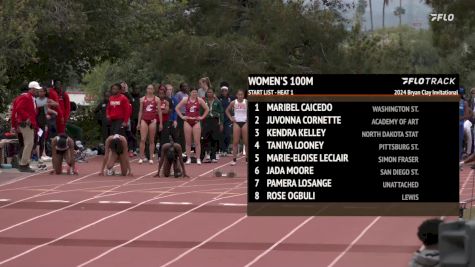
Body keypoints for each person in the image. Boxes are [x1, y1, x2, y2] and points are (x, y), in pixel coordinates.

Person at [11, 81, 40, 172]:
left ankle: (24, 163)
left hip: (28, 123)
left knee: (29, 143)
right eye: (36, 90)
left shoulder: (30, 97)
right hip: (26, 123)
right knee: (29, 143)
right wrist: (27, 118)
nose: (37, 92)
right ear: (31, 89)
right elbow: (19, 108)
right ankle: (23, 164)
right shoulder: (26, 97)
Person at [175, 87, 209, 165]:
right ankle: (188, 158)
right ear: (190, 93)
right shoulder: (185, 100)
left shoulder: (199, 100)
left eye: (196, 92)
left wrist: (202, 117)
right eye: (193, 92)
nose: (195, 94)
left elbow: (207, 109)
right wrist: (182, 116)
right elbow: (177, 108)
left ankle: (198, 158)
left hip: (196, 121)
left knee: (197, 141)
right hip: (187, 121)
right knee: (188, 142)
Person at [137, 84, 163, 164]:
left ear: (153, 90)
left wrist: (161, 123)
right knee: (143, 139)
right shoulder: (142, 99)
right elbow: (140, 111)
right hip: (144, 120)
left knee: (152, 140)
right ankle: (141, 157)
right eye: (148, 88)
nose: (150, 90)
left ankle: (151, 157)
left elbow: (159, 111)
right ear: (146, 89)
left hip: (152, 120)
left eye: (151, 89)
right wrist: (138, 123)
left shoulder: (157, 99)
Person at [35, 86, 58, 168]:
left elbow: (56, 104)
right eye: (39, 91)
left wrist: (49, 104)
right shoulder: (35, 99)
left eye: (42, 91)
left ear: (45, 92)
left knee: (43, 137)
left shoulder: (47, 99)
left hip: (43, 120)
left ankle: (42, 154)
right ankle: (38, 156)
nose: (40, 93)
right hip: (37, 119)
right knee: (38, 137)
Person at [225, 89, 248, 166]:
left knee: (246, 142)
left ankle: (247, 159)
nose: (240, 96)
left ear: (244, 95)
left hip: (244, 122)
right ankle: (234, 159)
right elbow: (227, 111)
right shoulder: (234, 102)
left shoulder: (246, 102)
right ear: (237, 95)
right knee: (235, 142)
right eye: (239, 94)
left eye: (242, 94)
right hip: (236, 122)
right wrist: (231, 118)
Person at [202, 88, 224, 163]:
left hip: (215, 120)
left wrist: (221, 123)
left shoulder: (217, 102)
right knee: (206, 138)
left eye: (210, 92)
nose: (209, 94)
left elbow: (221, 112)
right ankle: (206, 154)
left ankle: (213, 156)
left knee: (214, 139)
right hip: (206, 121)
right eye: (208, 92)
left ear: (213, 93)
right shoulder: (204, 101)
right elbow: (201, 111)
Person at [218, 82, 235, 156]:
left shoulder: (231, 98)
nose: (224, 92)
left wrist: (233, 116)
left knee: (228, 135)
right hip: (220, 119)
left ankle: (226, 148)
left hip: (228, 119)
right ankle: (223, 150)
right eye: (223, 91)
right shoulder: (218, 98)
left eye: (225, 90)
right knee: (221, 135)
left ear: (227, 91)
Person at [174, 83, 189, 152]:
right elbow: (176, 104)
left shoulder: (187, 95)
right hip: (179, 115)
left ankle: (183, 149)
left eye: (186, 86)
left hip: (185, 115)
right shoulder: (178, 94)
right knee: (179, 132)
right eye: (184, 86)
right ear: (181, 88)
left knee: (184, 132)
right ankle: (177, 148)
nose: (186, 87)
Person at [157, 85, 171, 157]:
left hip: (165, 121)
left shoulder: (167, 100)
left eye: (163, 92)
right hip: (155, 121)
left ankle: (161, 154)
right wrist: (160, 110)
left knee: (164, 139)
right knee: (154, 138)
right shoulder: (155, 99)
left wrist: (158, 111)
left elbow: (166, 111)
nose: (161, 94)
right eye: (160, 92)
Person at [130, 84, 141, 155]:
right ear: (133, 89)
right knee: (132, 133)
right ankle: (132, 149)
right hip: (132, 118)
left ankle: (141, 149)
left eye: (138, 89)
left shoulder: (141, 97)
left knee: (141, 134)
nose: (136, 90)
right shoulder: (130, 97)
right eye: (135, 89)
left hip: (140, 119)